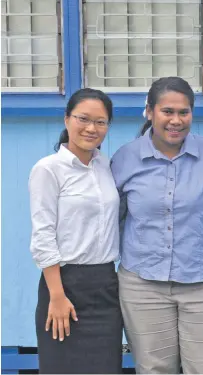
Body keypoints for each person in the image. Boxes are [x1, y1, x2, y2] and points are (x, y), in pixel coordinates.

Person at [111, 77, 203, 374]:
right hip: (143, 284)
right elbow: (113, 216)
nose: (176, 120)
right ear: (149, 112)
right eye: (167, 111)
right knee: (153, 369)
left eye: (184, 112)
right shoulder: (126, 158)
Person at [29, 88, 122, 373]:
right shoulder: (48, 169)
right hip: (65, 286)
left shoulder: (106, 166)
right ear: (67, 118)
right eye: (83, 118)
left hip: (106, 284)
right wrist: (57, 295)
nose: (91, 128)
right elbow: (43, 235)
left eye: (101, 122)